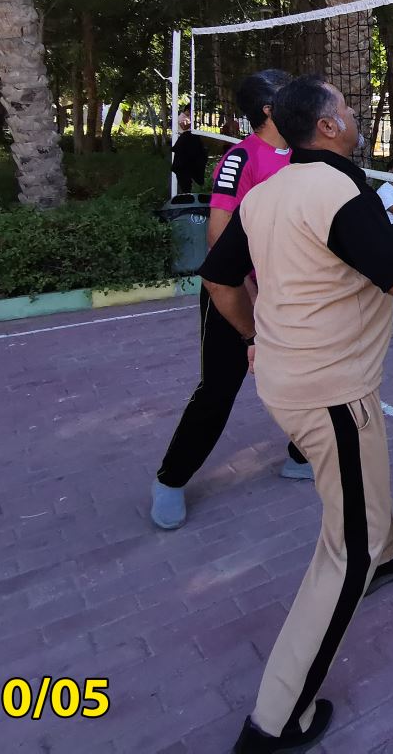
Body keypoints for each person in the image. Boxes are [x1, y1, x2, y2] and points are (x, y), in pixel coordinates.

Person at [199, 76, 393, 754]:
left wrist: (254, 335)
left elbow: (219, 279)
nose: (355, 113)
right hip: (328, 392)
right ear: (329, 127)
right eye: (346, 107)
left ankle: (385, 552)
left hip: (300, 381)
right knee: (346, 548)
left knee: (366, 462)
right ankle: (276, 719)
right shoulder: (339, 191)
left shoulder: (267, 193)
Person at [150, 70, 309, 532]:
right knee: (219, 389)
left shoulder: (305, 154)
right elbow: (219, 242)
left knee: (302, 377)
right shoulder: (240, 159)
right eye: (290, 96)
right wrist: (252, 310)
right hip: (234, 291)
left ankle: (301, 456)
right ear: (269, 109)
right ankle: (170, 479)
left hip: (288, 293)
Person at [171, 109, 208, 196]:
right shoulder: (182, 117)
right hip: (184, 146)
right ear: (187, 110)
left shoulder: (192, 138)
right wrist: (192, 125)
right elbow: (184, 127)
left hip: (186, 149)